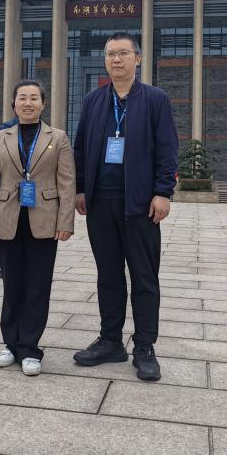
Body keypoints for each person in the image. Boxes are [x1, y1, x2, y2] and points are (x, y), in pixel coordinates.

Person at [73, 32, 178, 381]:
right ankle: (110, 340)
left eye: (123, 53)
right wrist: (80, 188)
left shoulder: (155, 99)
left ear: (138, 58)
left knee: (144, 276)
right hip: (101, 202)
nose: (116, 60)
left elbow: (167, 148)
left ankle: (144, 346)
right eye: (110, 54)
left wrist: (163, 192)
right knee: (108, 275)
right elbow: (80, 148)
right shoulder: (93, 101)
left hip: (141, 204)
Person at [0, 79, 75, 376]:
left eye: (34, 98)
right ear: (14, 104)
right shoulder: (0, 137)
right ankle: (10, 344)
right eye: (22, 97)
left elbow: (67, 182)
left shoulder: (57, 137)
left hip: (44, 221)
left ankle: (30, 348)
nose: (28, 103)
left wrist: (66, 221)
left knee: (38, 286)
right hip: (7, 220)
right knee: (12, 285)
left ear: (43, 104)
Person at [0, 103, 19, 278]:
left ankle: (4, 264)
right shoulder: (3, 131)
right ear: (15, 108)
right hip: (8, 190)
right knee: (5, 231)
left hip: (25, 191)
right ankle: (3, 264)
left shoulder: (47, 132)